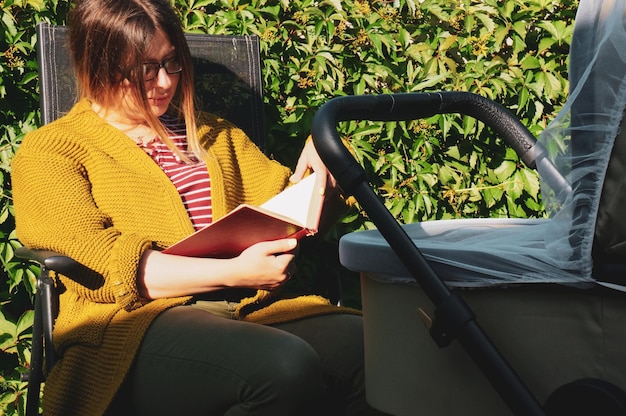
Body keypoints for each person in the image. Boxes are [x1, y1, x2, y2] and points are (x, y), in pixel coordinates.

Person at [12, 0, 389, 415]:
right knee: (283, 366)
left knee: (382, 354)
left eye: (172, 63)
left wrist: (325, 155)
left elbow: (292, 206)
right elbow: (101, 263)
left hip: (254, 311)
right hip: (133, 323)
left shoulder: (213, 135)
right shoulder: (52, 150)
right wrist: (234, 272)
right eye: (144, 68)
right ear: (98, 64)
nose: (164, 82)